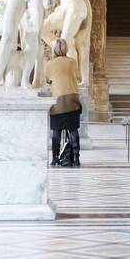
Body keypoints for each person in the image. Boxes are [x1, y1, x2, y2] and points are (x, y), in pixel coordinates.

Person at [45, 39, 82, 167]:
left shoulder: (49, 64)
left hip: (58, 101)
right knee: (73, 130)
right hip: (73, 100)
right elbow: (78, 77)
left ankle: (55, 158)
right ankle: (76, 158)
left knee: (56, 131)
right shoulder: (73, 62)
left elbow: (47, 80)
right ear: (66, 48)